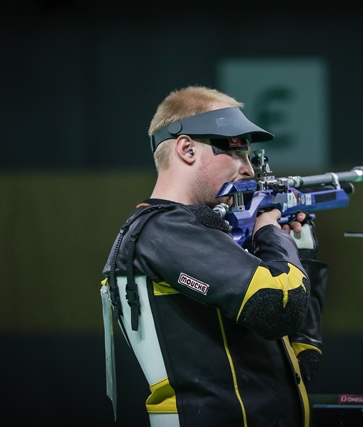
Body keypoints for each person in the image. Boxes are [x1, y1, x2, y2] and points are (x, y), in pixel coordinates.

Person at [100, 85, 329, 427]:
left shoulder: (203, 233)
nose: (249, 169)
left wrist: (299, 251)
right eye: (236, 151)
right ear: (187, 148)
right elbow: (279, 307)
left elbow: (299, 360)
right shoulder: (165, 230)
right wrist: (270, 232)